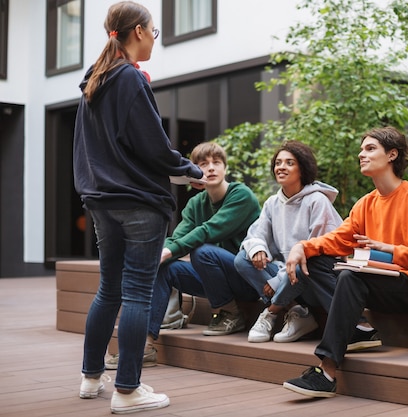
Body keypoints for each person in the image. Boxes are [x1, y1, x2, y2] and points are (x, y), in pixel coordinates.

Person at [73, 2, 205, 414]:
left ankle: (91, 378)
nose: (155, 38)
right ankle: (127, 389)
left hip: (100, 201)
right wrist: (190, 169)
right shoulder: (129, 79)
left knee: (108, 290)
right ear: (138, 32)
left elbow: (85, 150)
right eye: (155, 31)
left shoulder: (95, 80)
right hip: (137, 202)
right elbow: (153, 147)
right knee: (136, 293)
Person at [282, 126, 408, 397]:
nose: (362, 154)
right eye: (362, 149)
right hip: (378, 282)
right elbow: (337, 240)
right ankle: (360, 328)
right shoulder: (364, 204)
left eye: (370, 148)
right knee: (316, 261)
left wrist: (392, 250)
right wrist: (301, 246)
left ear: (392, 154)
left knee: (351, 276)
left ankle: (326, 371)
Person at [105, 141, 261, 370]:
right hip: (214, 280)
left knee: (203, 250)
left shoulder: (241, 195)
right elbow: (177, 237)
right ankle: (144, 347)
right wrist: (159, 254)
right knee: (165, 266)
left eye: (216, 162)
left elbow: (208, 230)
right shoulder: (196, 203)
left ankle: (231, 313)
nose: (211, 168)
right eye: (203, 164)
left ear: (225, 168)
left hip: (246, 278)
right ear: (195, 172)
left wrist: (170, 250)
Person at [234, 140, 343, 343]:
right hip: (287, 279)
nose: (281, 167)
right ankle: (295, 310)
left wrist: (277, 281)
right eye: (278, 162)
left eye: (289, 163)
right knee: (243, 258)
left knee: (304, 264)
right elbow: (255, 234)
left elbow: (318, 253)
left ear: (302, 168)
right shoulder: (272, 203)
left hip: (312, 281)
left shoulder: (317, 201)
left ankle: (272, 310)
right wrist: (258, 249)